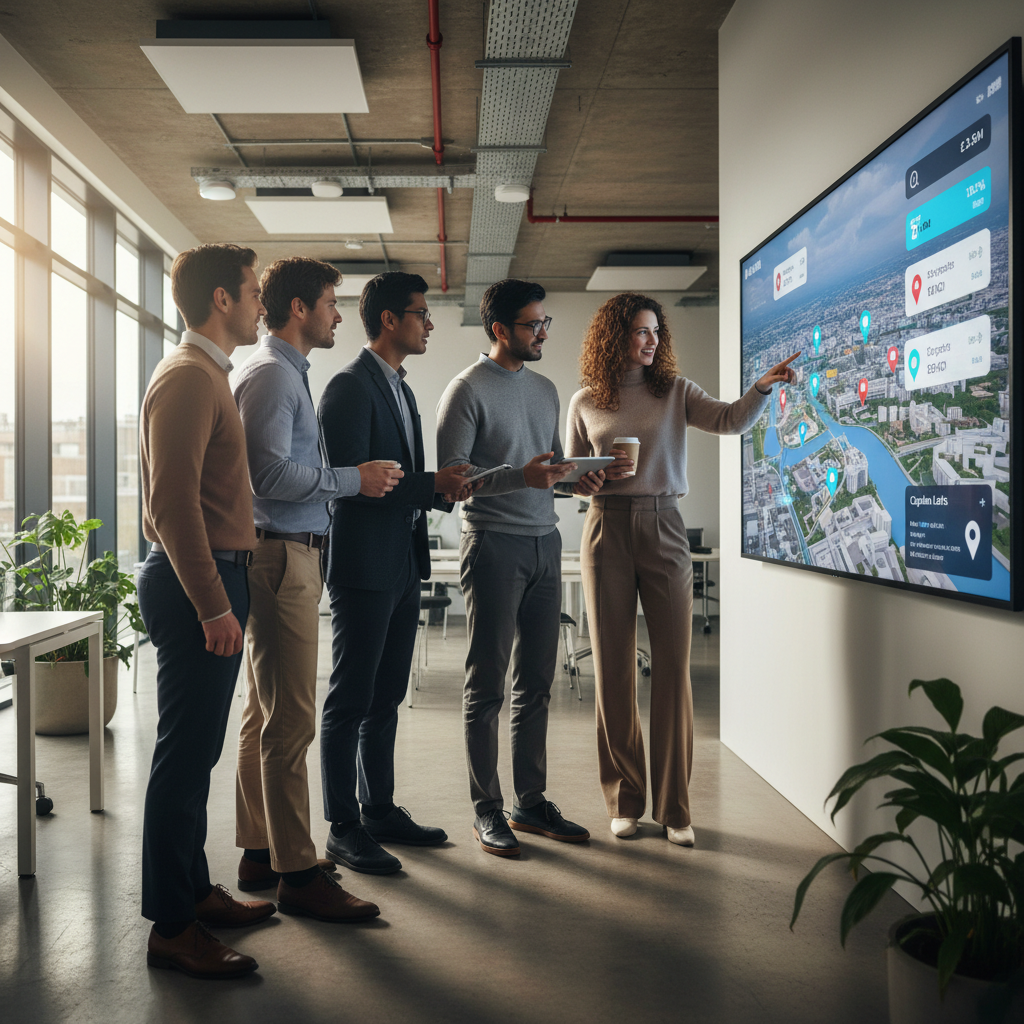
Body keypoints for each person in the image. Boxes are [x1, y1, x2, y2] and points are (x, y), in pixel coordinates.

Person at [565, 292, 797, 846]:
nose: (651, 342)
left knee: (672, 668)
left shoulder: (674, 392)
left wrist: (760, 389)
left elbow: (730, 420)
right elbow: (571, 476)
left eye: (655, 333)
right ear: (614, 336)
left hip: (665, 526)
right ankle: (625, 800)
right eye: (641, 332)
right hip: (604, 527)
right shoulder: (584, 401)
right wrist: (583, 481)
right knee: (614, 669)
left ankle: (675, 808)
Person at [233, 257, 400, 922]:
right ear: (300, 309)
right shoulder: (274, 374)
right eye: (332, 303)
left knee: (262, 717)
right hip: (282, 558)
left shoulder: (280, 372)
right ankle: (298, 875)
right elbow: (269, 473)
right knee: (291, 722)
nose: (338, 315)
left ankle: (260, 850)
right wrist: (349, 479)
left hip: (280, 556)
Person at [139, 244, 275, 979]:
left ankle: (192, 893)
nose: (260, 303)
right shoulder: (190, 378)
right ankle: (171, 927)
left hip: (215, 580)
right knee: (183, 764)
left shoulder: (208, 375)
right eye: (253, 292)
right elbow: (172, 505)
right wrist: (213, 604)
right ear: (221, 300)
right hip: (200, 586)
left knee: (196, 758)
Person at [317, 272, 473, 874]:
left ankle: (378, 809)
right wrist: (429, 484)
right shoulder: (349, 389)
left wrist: (440, 491)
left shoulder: (402, 390)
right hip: (363, 565)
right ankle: (342, 826)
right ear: (388, 319)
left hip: (403, 563)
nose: (429, 323)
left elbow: (399, 481)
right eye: (420, 313)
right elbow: (351, 484)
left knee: (386, 697)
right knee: (350, 698)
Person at [436, 279, 593, 857]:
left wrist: (580, 478)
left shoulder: (548, 389)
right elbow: (452, 482)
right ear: (500, 329)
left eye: (545, 323)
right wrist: (516, 478)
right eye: (533, 325)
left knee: (538, 683)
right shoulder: (465, 390)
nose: (543, 333)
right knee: (487, 684)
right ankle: (487, 809)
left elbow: (547, 470)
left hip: (545, 544)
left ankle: (530, 801)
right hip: (494, 545)